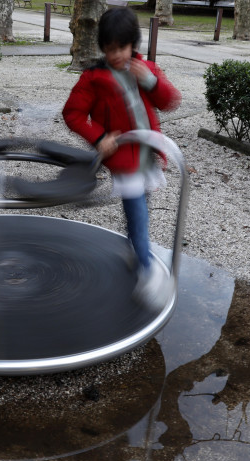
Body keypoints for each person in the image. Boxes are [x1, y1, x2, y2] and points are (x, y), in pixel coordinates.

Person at [62, 6, 182, 311]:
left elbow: (170, 101)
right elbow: (73, 113)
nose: (116, 55)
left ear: (134, 45)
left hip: (146, 155)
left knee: (141, 209)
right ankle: (147, 269)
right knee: (139, 214)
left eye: (122, 48)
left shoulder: (146, 69)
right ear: (103, 47)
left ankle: (134, 248)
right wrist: (100, 137)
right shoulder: (94, 77)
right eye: (110, 49)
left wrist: (151, 82)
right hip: (123, 160)